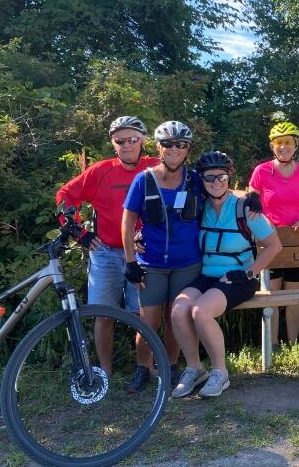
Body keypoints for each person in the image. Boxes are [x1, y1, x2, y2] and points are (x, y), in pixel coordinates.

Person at [170, 151, 282, 398]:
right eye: (210, 178)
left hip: (239, 278)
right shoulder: (199, 206)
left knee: (201, 311)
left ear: (229, 177)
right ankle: (195, 369)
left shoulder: (246, 209)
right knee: (179, 310)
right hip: (207, 276)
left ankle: (220, 373)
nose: (216, 182)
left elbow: (274, 245)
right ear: (202, 179)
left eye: (222, 176)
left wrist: (250, 271)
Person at [55, 116, 158, 375]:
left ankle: (144, 368)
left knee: (143, 316)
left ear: (143, 141)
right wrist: (79, 233)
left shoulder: (155, 167)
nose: (126, 145)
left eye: (132, 139)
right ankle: (104, 372)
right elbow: (65, 195)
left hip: (143, 254)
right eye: (119, 140)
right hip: (106, 253)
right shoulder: (101, 170)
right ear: (113, 143)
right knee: (104, 315)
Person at [122, 120, 202, 392]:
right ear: (158, 146)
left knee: (175, 319)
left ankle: (170, 366)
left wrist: (250, 198)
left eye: (181, 145)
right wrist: (130, 260)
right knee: (149, 321)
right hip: (152, 263)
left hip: (186, 263)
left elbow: (222, 195)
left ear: (187, 149)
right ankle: (142, 367)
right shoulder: (144, 179)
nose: (174, 149)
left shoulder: (195, 180)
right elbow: (128, 219)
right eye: (168, 144)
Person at [248, 121, 299, 346]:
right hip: (269, 241)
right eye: (278, 142)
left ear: (296, 145)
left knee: (295, 297)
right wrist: (263, 223)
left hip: (297, 239)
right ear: (272, 146)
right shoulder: (262, 171)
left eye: (287, 142)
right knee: (273, 296)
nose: (283, 147)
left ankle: (293, 344)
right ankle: (273, 344)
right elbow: (250, 205)